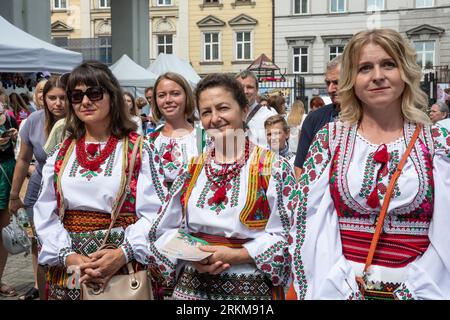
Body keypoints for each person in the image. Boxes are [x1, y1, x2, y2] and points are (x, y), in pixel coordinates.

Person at [290, 28, 450, 300]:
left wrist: (414, 287)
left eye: (388, 64)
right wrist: (340, 282)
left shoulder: (437, 142)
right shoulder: (330, 139)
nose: (377, 76)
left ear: (406, 71)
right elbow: (309, 223)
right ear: (351, 80)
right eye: (365, 68)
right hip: (341, 285)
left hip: (421, 287)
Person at [149, 73, 296, 300]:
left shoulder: (273, 167)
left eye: (223, 108)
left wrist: (239, 254)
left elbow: (288, 235)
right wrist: (190, 255)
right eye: (206, 112)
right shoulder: (193, 168)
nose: (215, 118)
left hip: (248, 290)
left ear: (244, 110)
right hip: (192, 288)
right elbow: (163, 228)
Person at [33, 61, 166, 300]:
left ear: (112, 97)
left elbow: (157, 214)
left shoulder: (139, 150)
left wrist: (123, 253)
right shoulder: (61, 153)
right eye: (76, 96)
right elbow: (45, 212)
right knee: (73, 294)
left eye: (94, 93)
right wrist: (68, 256)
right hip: (72, 266)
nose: (85, 101)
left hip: (122, 264)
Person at [8, 76, 66, 300]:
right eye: (52, 98)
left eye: (63, 97)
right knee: (38, 240)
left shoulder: (77, 121)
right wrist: (14, 195)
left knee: (63, 239)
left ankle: (64, 286)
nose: (57, 103)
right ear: (43, 99)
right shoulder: (33, 120)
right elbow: (23, 159)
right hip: (38, 187)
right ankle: (39, 286)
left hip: (66, 192)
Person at [148, 72, 202, 189]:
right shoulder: (150, 140)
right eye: (162, 95)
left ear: (187, 96)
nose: (168, 100)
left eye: (175, 94)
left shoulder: (202, 136)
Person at [293, 55, 342, 178]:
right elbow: (299, 166)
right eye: (328, 83)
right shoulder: (314, 119)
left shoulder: (371, 119)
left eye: (336, 83)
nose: (330, 89)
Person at [0, 97, 19, 297]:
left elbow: (20, 150)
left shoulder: (9, 119)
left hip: (6, 175)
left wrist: (14, 138)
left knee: (3, 231)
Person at [236, 70, 277, 148]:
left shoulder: (269, 116)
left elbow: (277, 148)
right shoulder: (227, 116)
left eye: (250, 87)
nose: (245, 91)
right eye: (240, 87)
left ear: (257, 89)